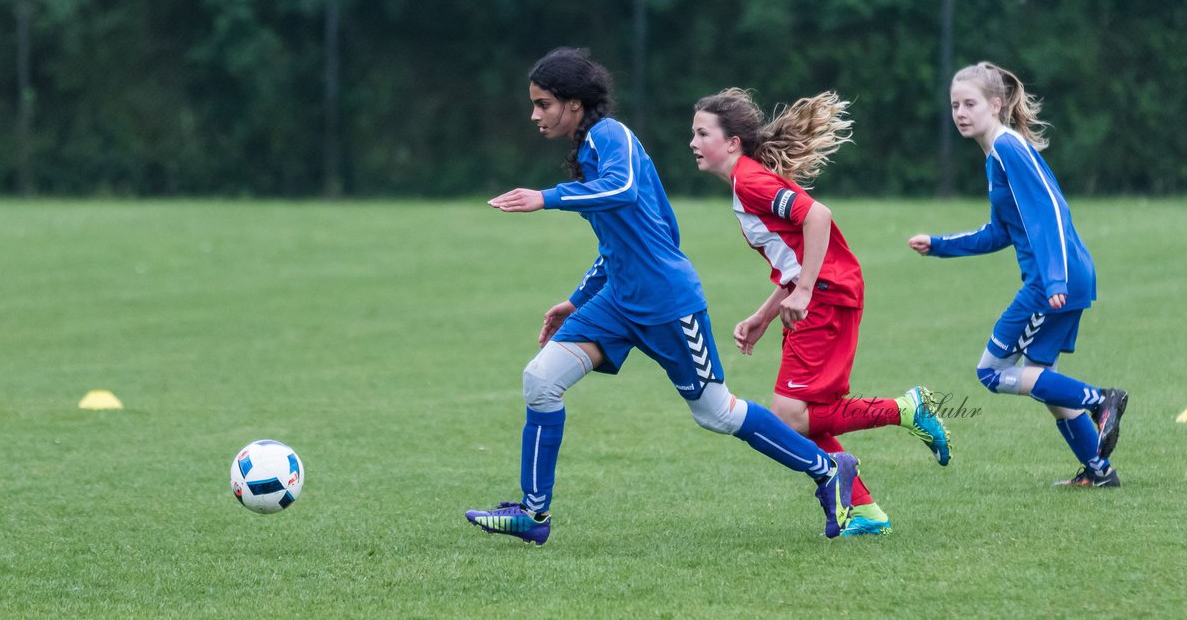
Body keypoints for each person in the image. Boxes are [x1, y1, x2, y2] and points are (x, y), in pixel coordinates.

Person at [465, 47, 859, 546]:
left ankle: (827, 469)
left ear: (574, 103)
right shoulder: (588, 154)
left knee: (715, 412)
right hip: (616, 302)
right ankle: (534, 514)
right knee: (540, 380)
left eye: (543, 104)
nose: (535, 115)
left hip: (667, 304)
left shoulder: (611, 136)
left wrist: (546, 197)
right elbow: (633, 237)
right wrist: (578, 299)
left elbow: (625, 189)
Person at [690, 88, 952, 537]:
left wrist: (806, 290)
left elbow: (817, 216)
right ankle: (865, 511)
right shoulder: (745, 181)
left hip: (826, 293)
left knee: (790, 416)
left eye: (701, 133)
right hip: (822, 292)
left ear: (732, 142)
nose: (692, 142)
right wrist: (765, 314)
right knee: (809, 414)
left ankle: (908, 409)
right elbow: (791, 258)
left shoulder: (750, 181)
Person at [907, 61, 1127, 488]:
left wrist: (1056, 280)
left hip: (1052, 282)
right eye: (954, 105)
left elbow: (1050, 214)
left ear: (996, 104)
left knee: (991, 372)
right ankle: (1100, 472)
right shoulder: (996, 158)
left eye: (969, 103)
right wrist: (939, 245)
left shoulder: (1009, 148)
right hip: (1059, 277)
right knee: (1043, 378)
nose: (960, 113)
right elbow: (998, 233)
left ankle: (1101, 401)